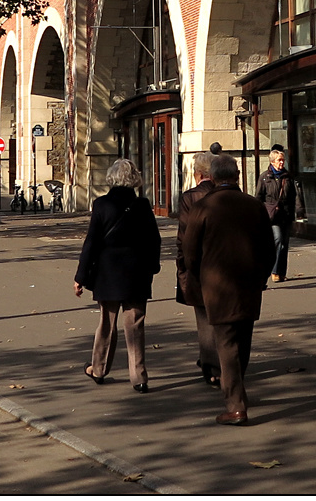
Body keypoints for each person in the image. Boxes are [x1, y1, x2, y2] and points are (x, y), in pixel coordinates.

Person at [180, 154, 275, 425]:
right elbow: (269, 249)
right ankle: (238, 392)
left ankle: (235, 405)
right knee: (242, 339)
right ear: (237, 177)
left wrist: (201, 276)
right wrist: (261, 275)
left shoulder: (203, 207)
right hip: (249, 283)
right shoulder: (254, 206)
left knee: (226, 343)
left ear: (213, 176)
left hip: (217, 286)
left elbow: (190, 252)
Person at [74, 159, 162, 392]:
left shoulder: (101, 204)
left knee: (107, 324)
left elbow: (91, 243)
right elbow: (154, 240)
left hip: (108, 274)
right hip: (137, 274)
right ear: (134, 179)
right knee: (135, 326)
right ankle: (139, 377)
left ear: (112, 178)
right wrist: (153, 268)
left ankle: (99, 369)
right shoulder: (143, 205)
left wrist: (81, 276)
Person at [174, 152, 220, 387]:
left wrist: (183, 266)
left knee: (204, 318)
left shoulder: (190, 198)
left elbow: (184, 237)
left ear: (199, 174)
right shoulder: (226, 194)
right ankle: (222, 362)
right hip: (225, 263)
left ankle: (211, 366)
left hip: (200, 264)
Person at [256, 147, 306, 282]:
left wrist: (299, 211)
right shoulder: (265, 177)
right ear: (272, 162)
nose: (282, 163)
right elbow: (259, 197)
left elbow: (295, 195)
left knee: (284, 243)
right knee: (277, 240)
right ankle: (274, 270)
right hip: (272, 216)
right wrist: (259, 214)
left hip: (286, 214)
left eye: (283, 160)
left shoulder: (288, 177)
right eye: (279, 160)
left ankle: (281, 272)